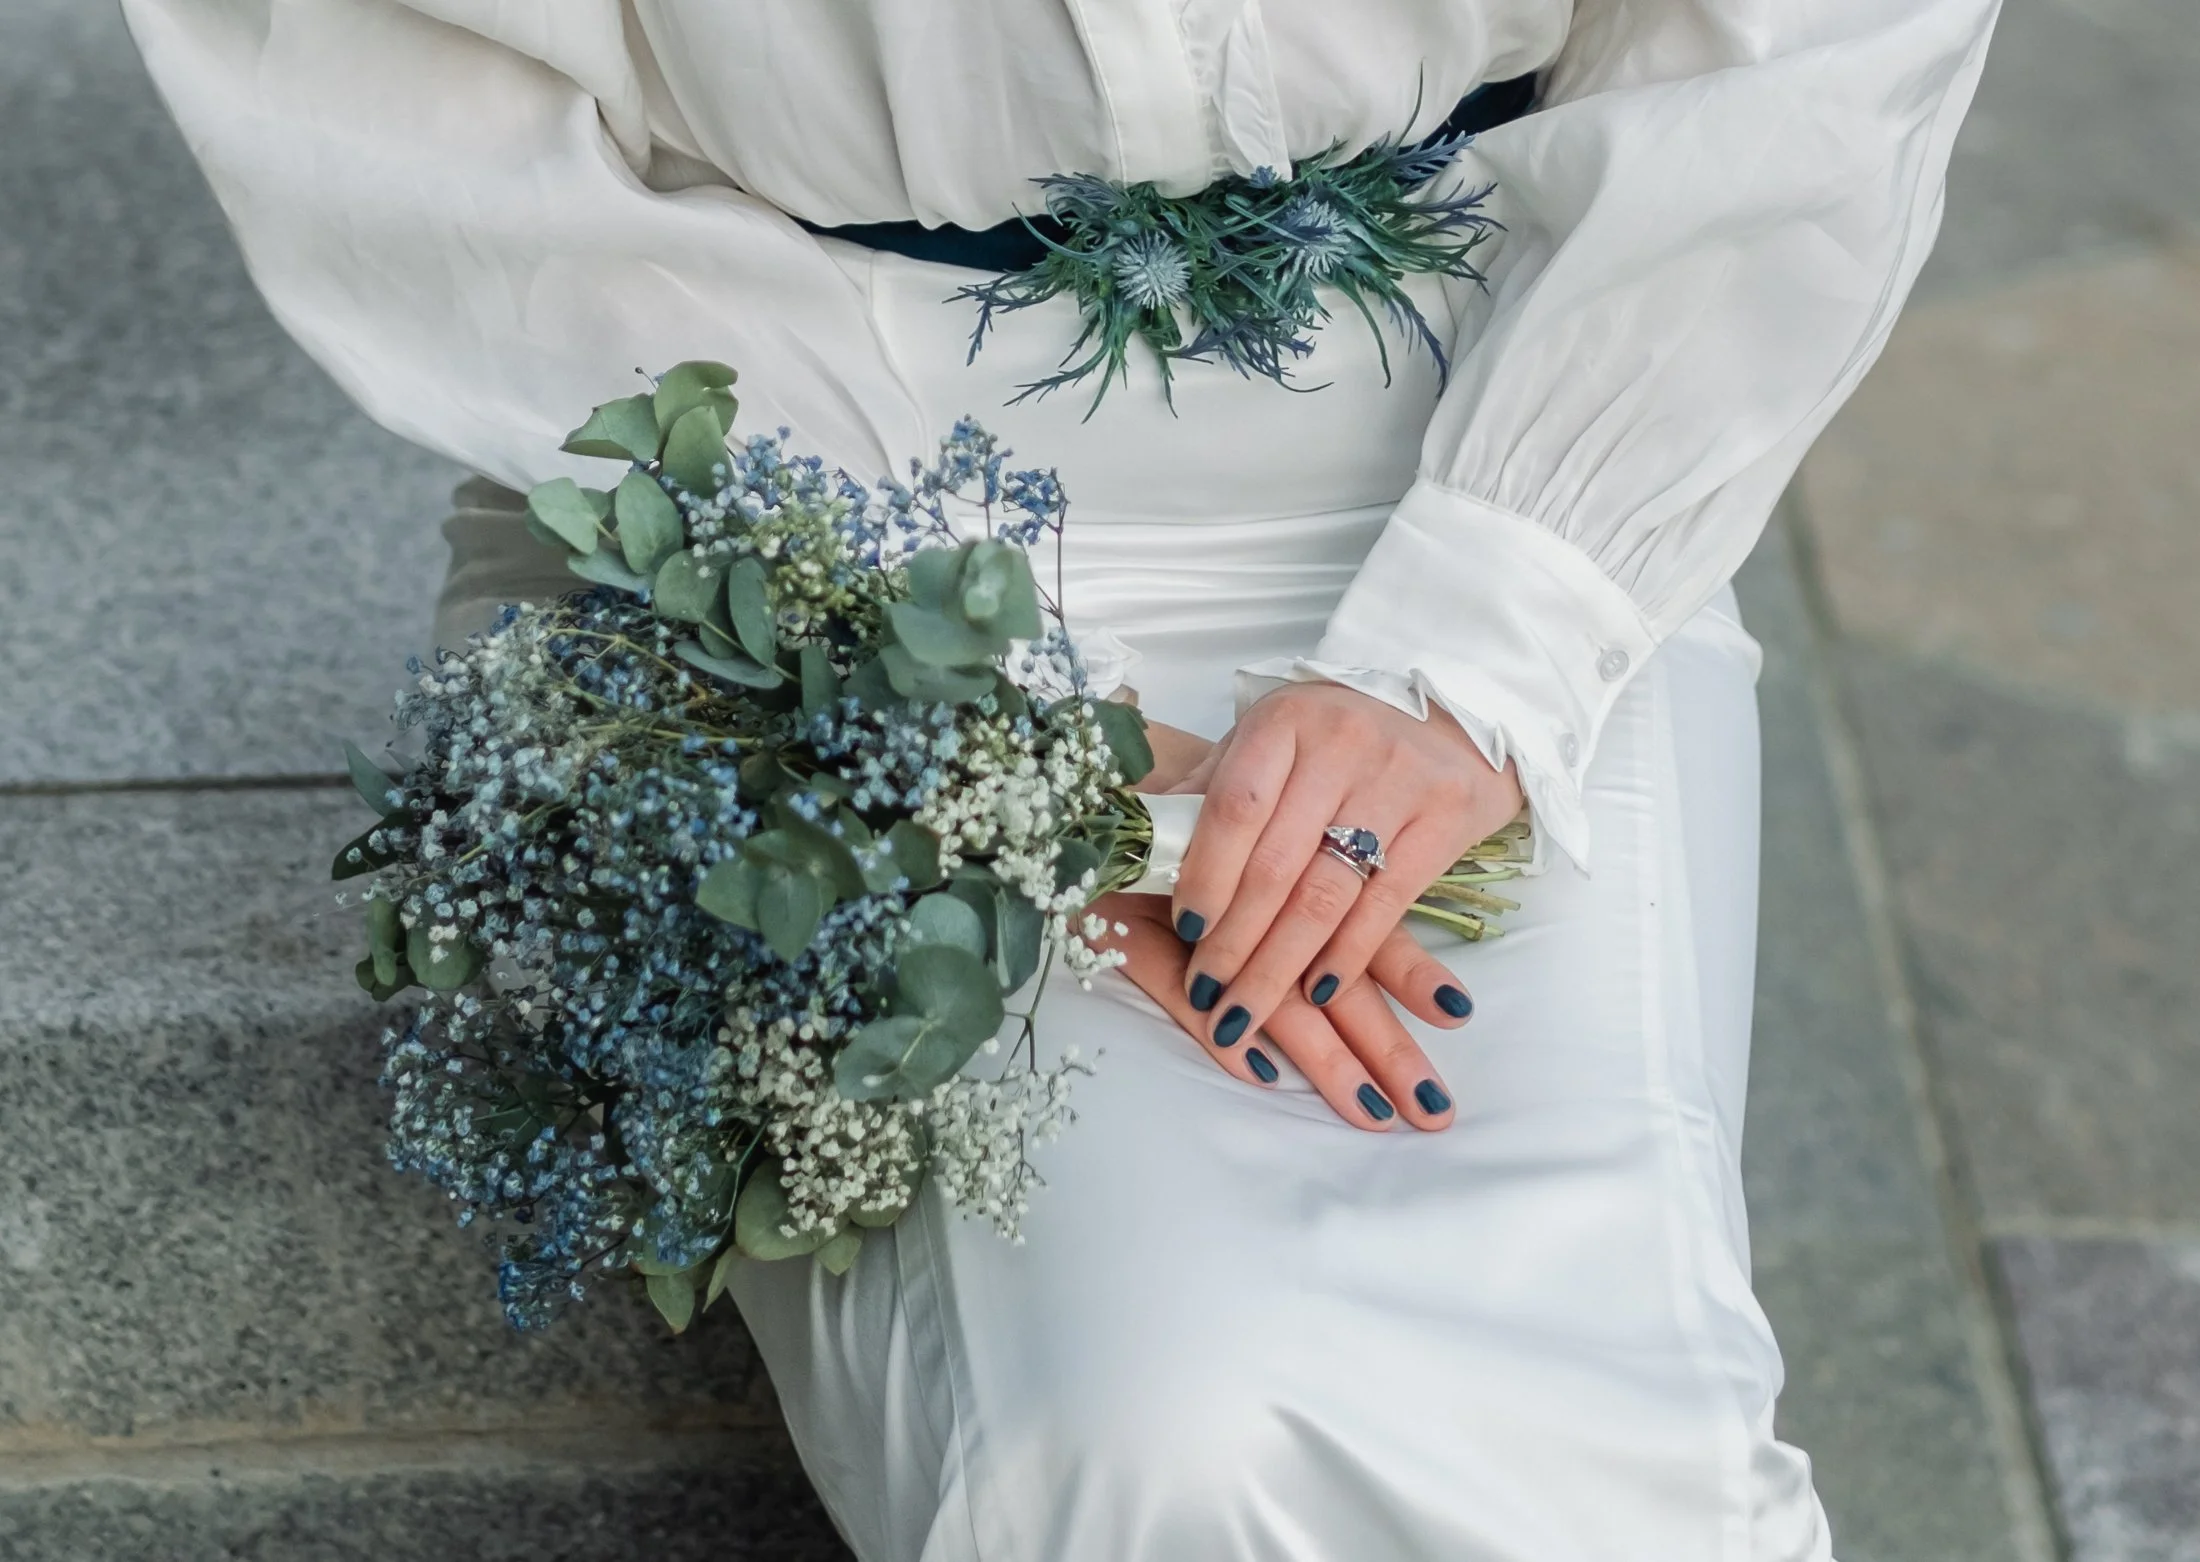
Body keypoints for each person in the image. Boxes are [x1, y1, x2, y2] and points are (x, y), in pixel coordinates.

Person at [124, 3, 2001, 1556]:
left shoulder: (1514, 529)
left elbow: (1810, 50)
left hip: (1500, 429)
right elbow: (394, 126)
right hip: (793, 482)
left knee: (1613, 1459)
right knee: (1155, 1434)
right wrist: (956, 741)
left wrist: (1485, 641)